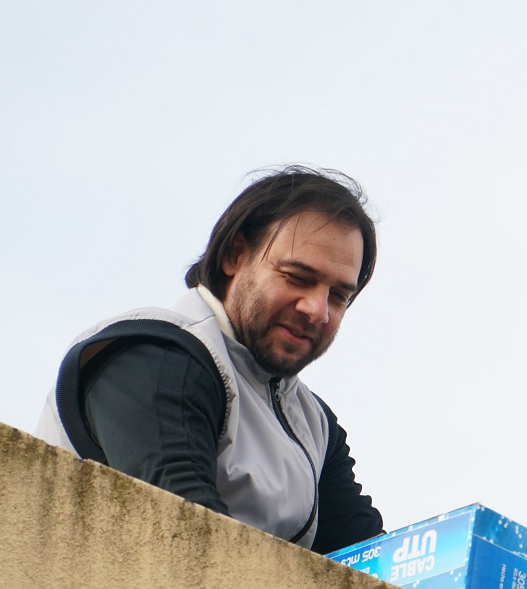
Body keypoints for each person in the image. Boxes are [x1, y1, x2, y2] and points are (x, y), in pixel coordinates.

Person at [35, 166, 384, 553]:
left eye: (338, 296)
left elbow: (372, 561)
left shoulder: (317, 426)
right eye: (297, 277)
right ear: (234, 256)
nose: (317, 310)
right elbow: (190, 541)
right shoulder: (155, 356)